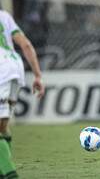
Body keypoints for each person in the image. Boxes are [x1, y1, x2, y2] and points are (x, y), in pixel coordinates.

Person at [0, 10, 45, 178]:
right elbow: (25, 45)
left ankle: (10, 174)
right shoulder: (4, 16)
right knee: (3, 126)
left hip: (1, 71)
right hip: (14, 67)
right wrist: (38, 75)